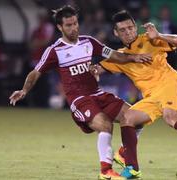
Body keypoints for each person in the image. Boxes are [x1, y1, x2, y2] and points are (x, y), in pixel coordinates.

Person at [9, 5, 151, 180]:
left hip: (98, 94)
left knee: (137, 118)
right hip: (79, 99)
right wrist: (24, 90)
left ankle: (122, 152)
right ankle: (106, 171)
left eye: (75, 23)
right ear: (60, 27)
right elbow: (36, 72)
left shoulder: (89, 42)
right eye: (68, 25)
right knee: (105, 125)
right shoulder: (55, 50)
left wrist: (133, 57)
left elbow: (114, 55)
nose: (74, 28)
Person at [91, 10, 177, 179]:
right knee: (127, 118)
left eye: (130, 27)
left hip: (171, 84)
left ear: (135, 27)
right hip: (151, 97)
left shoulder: (149, 39)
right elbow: (98, 68)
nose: (128, 32)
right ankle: (132, 168)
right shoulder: (120, 56)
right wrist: (92, 70)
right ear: (115, 32)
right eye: (123, 30)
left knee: (170, 117)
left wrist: (160, 35)